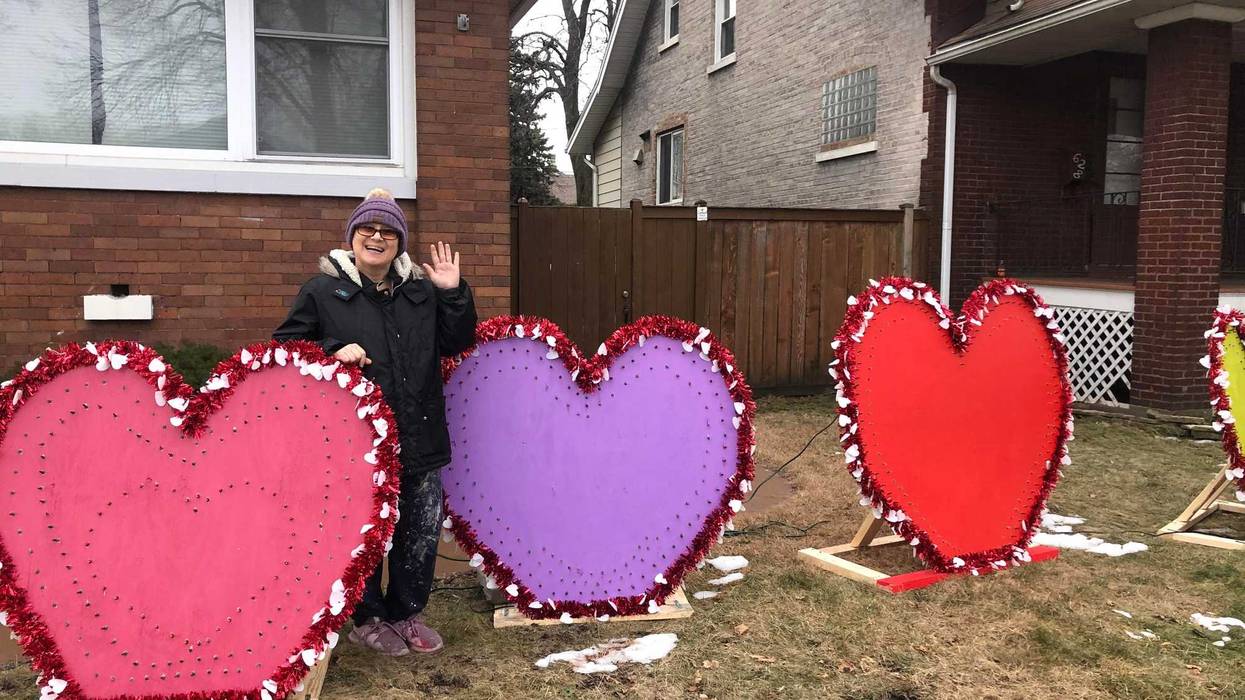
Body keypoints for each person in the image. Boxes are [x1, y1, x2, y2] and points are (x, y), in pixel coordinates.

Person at [273, 188, 477, 656]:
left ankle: (406, 613)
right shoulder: (323, 291)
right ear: (352, 236)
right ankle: (367, 618)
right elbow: (287, 348)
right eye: (368, 228)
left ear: (399, 242)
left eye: (388, 231)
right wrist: (330, 350)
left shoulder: (420, 291)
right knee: (362, 532)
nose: (377, 237)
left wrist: (452, 293)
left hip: (421, 434)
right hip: (357, 441)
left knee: (418, 532)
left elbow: (456, 342)